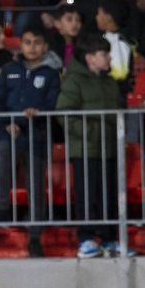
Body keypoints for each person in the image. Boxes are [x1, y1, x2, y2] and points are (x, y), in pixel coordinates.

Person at [0, 24, 62, 256]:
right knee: (2, 166)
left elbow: (54, 102)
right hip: (7, 132)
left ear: (45, 46)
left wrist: (38, 112)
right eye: (27, 42)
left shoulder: (51, 74)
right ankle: (2, 212)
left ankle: (35, 230)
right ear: (21, 45)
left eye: (37, 43)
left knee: (35, 182)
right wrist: (6, 122)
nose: (32, 47)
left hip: (36, 134)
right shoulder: (8, 70)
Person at [57, 32, 128, 258]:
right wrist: (90, 132)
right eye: (104, 54)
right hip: (86, 148)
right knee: (87, 195)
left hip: (109, 147)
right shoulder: (74, 81)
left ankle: (109, 239)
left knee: (109, 195)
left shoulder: (110, 83)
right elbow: (64, 113)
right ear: (89, 58)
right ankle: (86, 239)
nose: (109, 59)